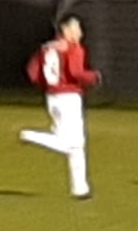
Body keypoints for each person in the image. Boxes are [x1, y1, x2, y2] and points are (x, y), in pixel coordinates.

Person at [19, 14, 102, 200]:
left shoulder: (47, 47)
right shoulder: (73, 48)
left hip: (52, 97)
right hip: (69, 97)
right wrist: (94, 77)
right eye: (76, 28)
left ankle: (80, 189)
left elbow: (32, 72)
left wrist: (49, 86)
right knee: (72, 143)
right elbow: (76, 72)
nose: (79, 32)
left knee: (77, 145)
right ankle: (30, 136)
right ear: (65, 30)